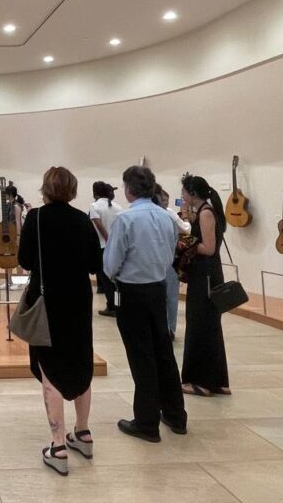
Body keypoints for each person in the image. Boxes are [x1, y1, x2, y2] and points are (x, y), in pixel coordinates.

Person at [18, 167, 101, 476]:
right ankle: (83, 432)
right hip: (78, 299)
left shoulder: (36, 219)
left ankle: (58, 445)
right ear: (72, 189)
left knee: (49, 365)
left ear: (45, 189)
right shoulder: (82, 219)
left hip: (46, 300)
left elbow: (24, 260)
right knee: (81, 359)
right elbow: (95, 264)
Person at [104, 165, 187, 442]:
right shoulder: (166, 217)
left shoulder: (126, 220)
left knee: (141, 357)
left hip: (132, 292)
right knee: (163, 353)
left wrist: (116, 274)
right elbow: (169, 254)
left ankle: (146, 422)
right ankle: (176, 415)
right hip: (158, 289)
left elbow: (111, 263)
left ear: (128, 190)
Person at [179, 173, 231, 397]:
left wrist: (184, 240)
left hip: (206, 276)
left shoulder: (206, 213)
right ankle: (217, 380)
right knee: (208, 326)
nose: (181, 195)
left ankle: (203, 382)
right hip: (206, 274)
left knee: (201, 326)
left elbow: (208, 248)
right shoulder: (204, 211)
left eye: (183, 192)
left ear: (192, 194)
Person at [155, 184, 191, 339]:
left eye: (167, 200)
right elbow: (186, 229)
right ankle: (165, 329)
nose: (165, 203)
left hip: (165, 262)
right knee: (165, 298)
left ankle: (168, 329)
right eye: (162, 199)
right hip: (163, 262)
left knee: (169, 297)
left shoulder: (168, 213)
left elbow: (185, 230)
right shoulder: (165, 214)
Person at [89, 182, 122, 317]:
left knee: (106, 280)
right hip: (117, 246)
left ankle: (111, 306)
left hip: (102, 246)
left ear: (95, 193)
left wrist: (107, 239)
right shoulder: (118, 207)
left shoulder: (94, 206)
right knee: (116, 279)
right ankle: (118, 305)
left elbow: (98, 225)